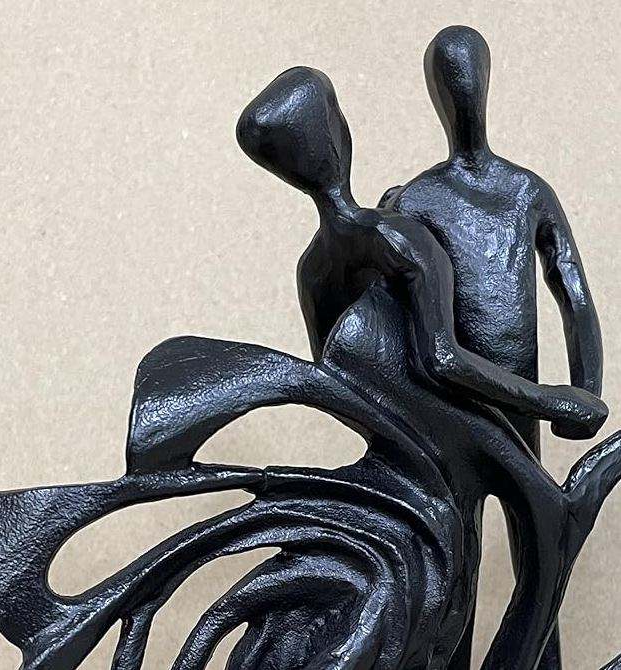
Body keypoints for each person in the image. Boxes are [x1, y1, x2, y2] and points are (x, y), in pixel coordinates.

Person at [378, 26, 603, 668]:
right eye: (450, 81)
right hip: (452, 405)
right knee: (460, 559)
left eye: (470, 76)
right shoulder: (413, 200)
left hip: (523, 400)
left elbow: (573, 290)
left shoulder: (526, 191)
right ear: (434, 97)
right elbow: (402, 322)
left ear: (487, 82)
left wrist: (585, 387)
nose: (463, 93)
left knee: (539, 547)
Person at [236, 66, 606, 439]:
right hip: (470, 419)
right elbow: (441, 357)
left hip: (426, 436)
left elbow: (339, 383)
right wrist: (558, 401)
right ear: (339, 134)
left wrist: (405, 436)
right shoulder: (398, 228)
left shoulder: (313, 268)